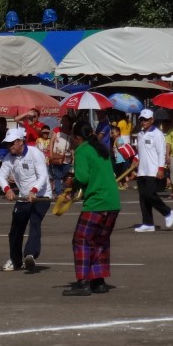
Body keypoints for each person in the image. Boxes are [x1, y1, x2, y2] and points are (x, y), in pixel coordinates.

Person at [62, 120, 121, 296]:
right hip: (112, 202)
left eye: (72, 137)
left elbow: (83, 177)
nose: (71, 140)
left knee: (81, 240)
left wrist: (70, 182)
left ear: (78, 138)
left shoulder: (82, 150)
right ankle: (98, 281)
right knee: (100, 241)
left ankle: (83, 282)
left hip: (97, 202)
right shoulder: (100, 148)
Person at [0, 126, 53, 272]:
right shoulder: (9, 158)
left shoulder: (35, 154)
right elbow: (1, 176)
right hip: (23, 197)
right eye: (7, 144)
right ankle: (15, 261)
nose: (9, 147)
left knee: (35, 222)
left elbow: (43, 176)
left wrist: (34, 190)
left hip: (41, 196)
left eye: (11, 143)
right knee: (15, 229)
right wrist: (7, 189)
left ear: (20, 141)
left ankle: (30, 254)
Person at [134, 108, 173, 232]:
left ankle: (167, 212)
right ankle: (148, 223)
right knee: (143, 197)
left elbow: (161, 152)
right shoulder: (140, 134)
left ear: (152, 120)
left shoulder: (157, 134)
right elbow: (140, 151)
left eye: (146, 119)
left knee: (150, 194)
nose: (143, 121)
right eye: (141, 119)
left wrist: (161, 168)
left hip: (153, 169)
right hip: (142, 170)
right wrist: (135, 158)